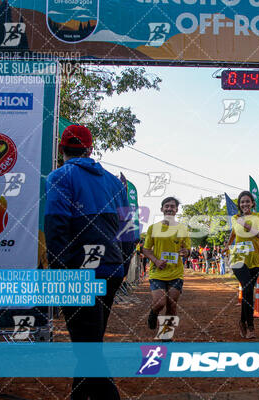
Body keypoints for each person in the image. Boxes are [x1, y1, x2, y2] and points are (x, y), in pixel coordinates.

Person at [45, 125, 133, 400]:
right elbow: (129, 233)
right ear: (90, 149)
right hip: (111, 270)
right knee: (89, 343)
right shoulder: (114, 182)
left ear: (61, 149)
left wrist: (60, 274)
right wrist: (121, 263)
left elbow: (56, 225)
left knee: (87, 347)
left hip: (78, 274)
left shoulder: (59, 176)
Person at [223, 191, 259, 339]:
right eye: (242, 202)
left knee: (249, 291)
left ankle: (242, 321)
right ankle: (250, 326)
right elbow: (234, 233)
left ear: (252, 203)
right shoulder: (236, 219)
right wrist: (227, 245)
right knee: (248, 287)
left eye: (247, 202)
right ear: (239, 205)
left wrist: (248, 228)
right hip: (238, 258)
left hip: (254, 259)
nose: (245, 204)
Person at [143, 197, 191, 331]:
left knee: (172, 304)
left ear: (176, 210)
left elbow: (188, 250)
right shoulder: (153, 228)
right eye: (167, 206)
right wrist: (156, 261)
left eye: (172, 206)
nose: (169, 208)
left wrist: (185, 252)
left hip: (176, 272)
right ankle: (154, 312)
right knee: (160, 302)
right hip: (157, 271)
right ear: (162, 209)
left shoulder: (182, 228)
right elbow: (146, 250)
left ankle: (166, 335)